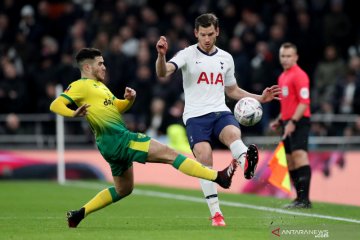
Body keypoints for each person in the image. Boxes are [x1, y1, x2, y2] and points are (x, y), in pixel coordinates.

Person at [49, 48, 238, 228]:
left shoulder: (100, 87)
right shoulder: (81, 86)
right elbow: (56, 104)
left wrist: (128, 100)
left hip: (109, 145)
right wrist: (73, 113)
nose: (104, 67)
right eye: (100, 63)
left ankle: (79, 214)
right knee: (169, 154)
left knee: (124, 189)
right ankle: (219, 177)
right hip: (119, 139)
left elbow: (116, 107)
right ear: (88, 67)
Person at [155, 13, 281, 226]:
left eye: (210, 34)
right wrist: (161, 56)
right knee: (205, 159)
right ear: (196, 33)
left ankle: (246, 164)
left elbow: (232, 90)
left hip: (220, 111)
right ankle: (216, 214)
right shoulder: (186, 54)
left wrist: (260, 97)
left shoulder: (226, 58)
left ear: (217, 32)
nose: (206, 38)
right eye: (202, 34)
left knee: (233, 134)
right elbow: (163, 72)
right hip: (195, 116)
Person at [269, 42, 312, 208]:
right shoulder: (282, 76)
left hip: (299, 121)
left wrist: (293, 122)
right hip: (287, 122)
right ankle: (299, 198)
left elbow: (304, 103)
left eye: (289, 56)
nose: (285, 59)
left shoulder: (300, 75)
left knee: (300, 156)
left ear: (296, 57)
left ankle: (305, 200)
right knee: (289, 160)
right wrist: (280, 120)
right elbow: (287, 104)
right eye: (283, 56)